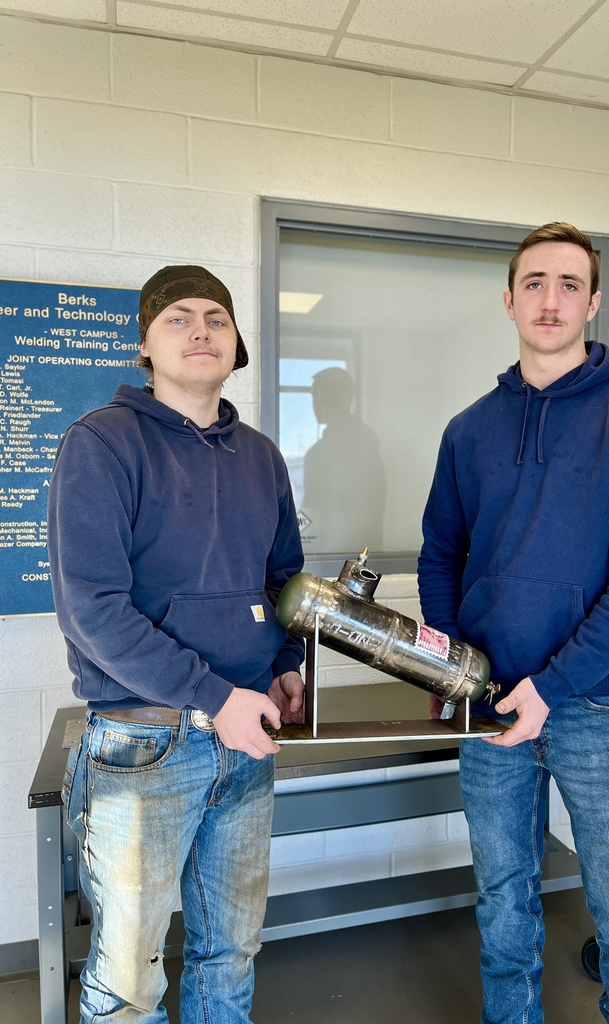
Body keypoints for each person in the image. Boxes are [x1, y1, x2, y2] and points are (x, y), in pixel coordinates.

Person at [417, 223, 609, 1024]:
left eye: (570, 284)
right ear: (508, 300)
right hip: (490, 703)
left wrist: (556, 682)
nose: (551, 299)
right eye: (534, 282)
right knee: (504, 899)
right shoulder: (468, 430)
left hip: (597, 705)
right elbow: (441, 557)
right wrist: (452, 670)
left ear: (594, 303)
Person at [48, 265, 305, 1023]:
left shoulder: (260, 456)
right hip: (145, 744)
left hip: (247, 739)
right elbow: (92, 609)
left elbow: (282, 578)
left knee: (231, 951)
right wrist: (216, 697)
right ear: (145, 345)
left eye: (217, 318)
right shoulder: (101, 444)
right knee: (130, 974)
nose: (201, 330)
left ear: (237, 345)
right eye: (179, 318)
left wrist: (287, 665)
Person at [302, 366, 386, 553]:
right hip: (360, 559)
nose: (314, 404)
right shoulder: (369, 446)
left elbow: (313, 517)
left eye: (316, 396)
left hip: (335, 561)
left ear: (327, 399)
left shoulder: (329, 453)